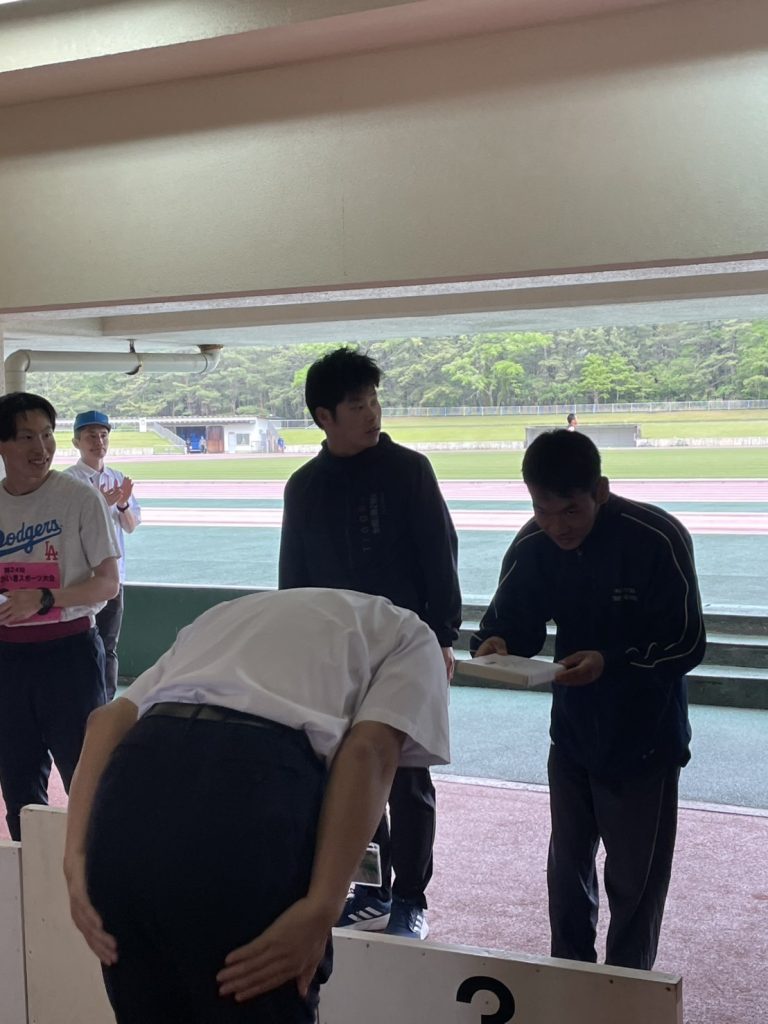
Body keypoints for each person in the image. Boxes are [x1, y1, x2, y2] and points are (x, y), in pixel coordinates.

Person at [63, 588, 450, 1024]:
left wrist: (75, 863)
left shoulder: (226, 616)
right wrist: (322, 906)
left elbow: (105, 721)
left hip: (131, 796)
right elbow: (368, 753)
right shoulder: (413, 635)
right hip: (252, 798)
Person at [471, 429, 705, 971]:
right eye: (542, 510)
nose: (557, 526)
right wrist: (497, 641)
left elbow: (687, 643)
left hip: (645, 738)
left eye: (571, 510)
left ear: (600, 490)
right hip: (574, 734)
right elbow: (512, 622)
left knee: (635, 884)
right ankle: (569, 977)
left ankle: (628, 988)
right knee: (567, 873)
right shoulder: (534, 543)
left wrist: (611, 662)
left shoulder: (657, 537)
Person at [278, 346, 461, 940]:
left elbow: (441, 558)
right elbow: (294, 580)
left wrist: (443, 639)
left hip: (407, 650)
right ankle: (370, 887)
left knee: (408, 777)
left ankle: (410, 896)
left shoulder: (410, 471)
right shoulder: (304, 487)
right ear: (324, 416)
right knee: (345, 773)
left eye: (375, 401)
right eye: (357, 405)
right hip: (335, 654)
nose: (372, 413)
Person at [0, 392, 120, 841]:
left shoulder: (79, 499)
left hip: (70, 656)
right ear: (2, 445)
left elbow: (108, 584)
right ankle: (30, 872)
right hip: (8, 661)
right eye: (26, 437)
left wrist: (46, 598)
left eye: (47, 435)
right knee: (19, 784)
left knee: (87, 779)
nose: (41, 448)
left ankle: (97, 873)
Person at [66, 410, 142, 700]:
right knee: (78, 641)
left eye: (103, 436)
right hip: (80, 579)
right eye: (91, 436)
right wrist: (99, 503)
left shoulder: (117, 478)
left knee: (109, 644)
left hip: (113, 576)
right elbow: (66, 529)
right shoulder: (68, 482)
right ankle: (79, 698)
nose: (98, 442)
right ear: (77, 442)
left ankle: (106, 701)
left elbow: (130, 526)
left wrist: (122, 505)